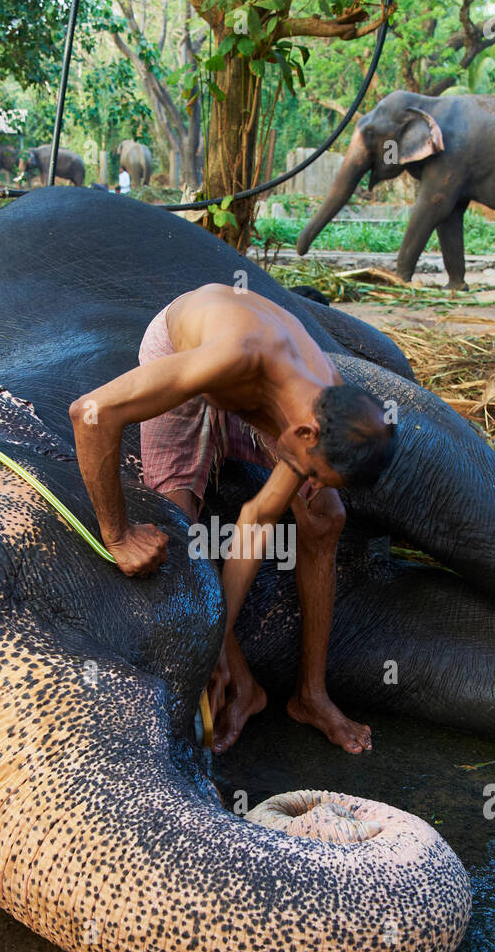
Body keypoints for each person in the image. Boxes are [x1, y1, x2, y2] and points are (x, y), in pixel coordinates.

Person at [69, 284, 395, 754]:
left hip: (255, 393)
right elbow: (90, 415)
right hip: (192, 362)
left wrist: (218, 631)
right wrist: (117, 535)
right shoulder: (231, 355)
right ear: (305, 433)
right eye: (315, 474)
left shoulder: (328, 400)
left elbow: (257, 517)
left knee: (325, 516)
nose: (313, 483)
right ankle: (242, 682)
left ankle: (311, 696)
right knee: (178, 533)